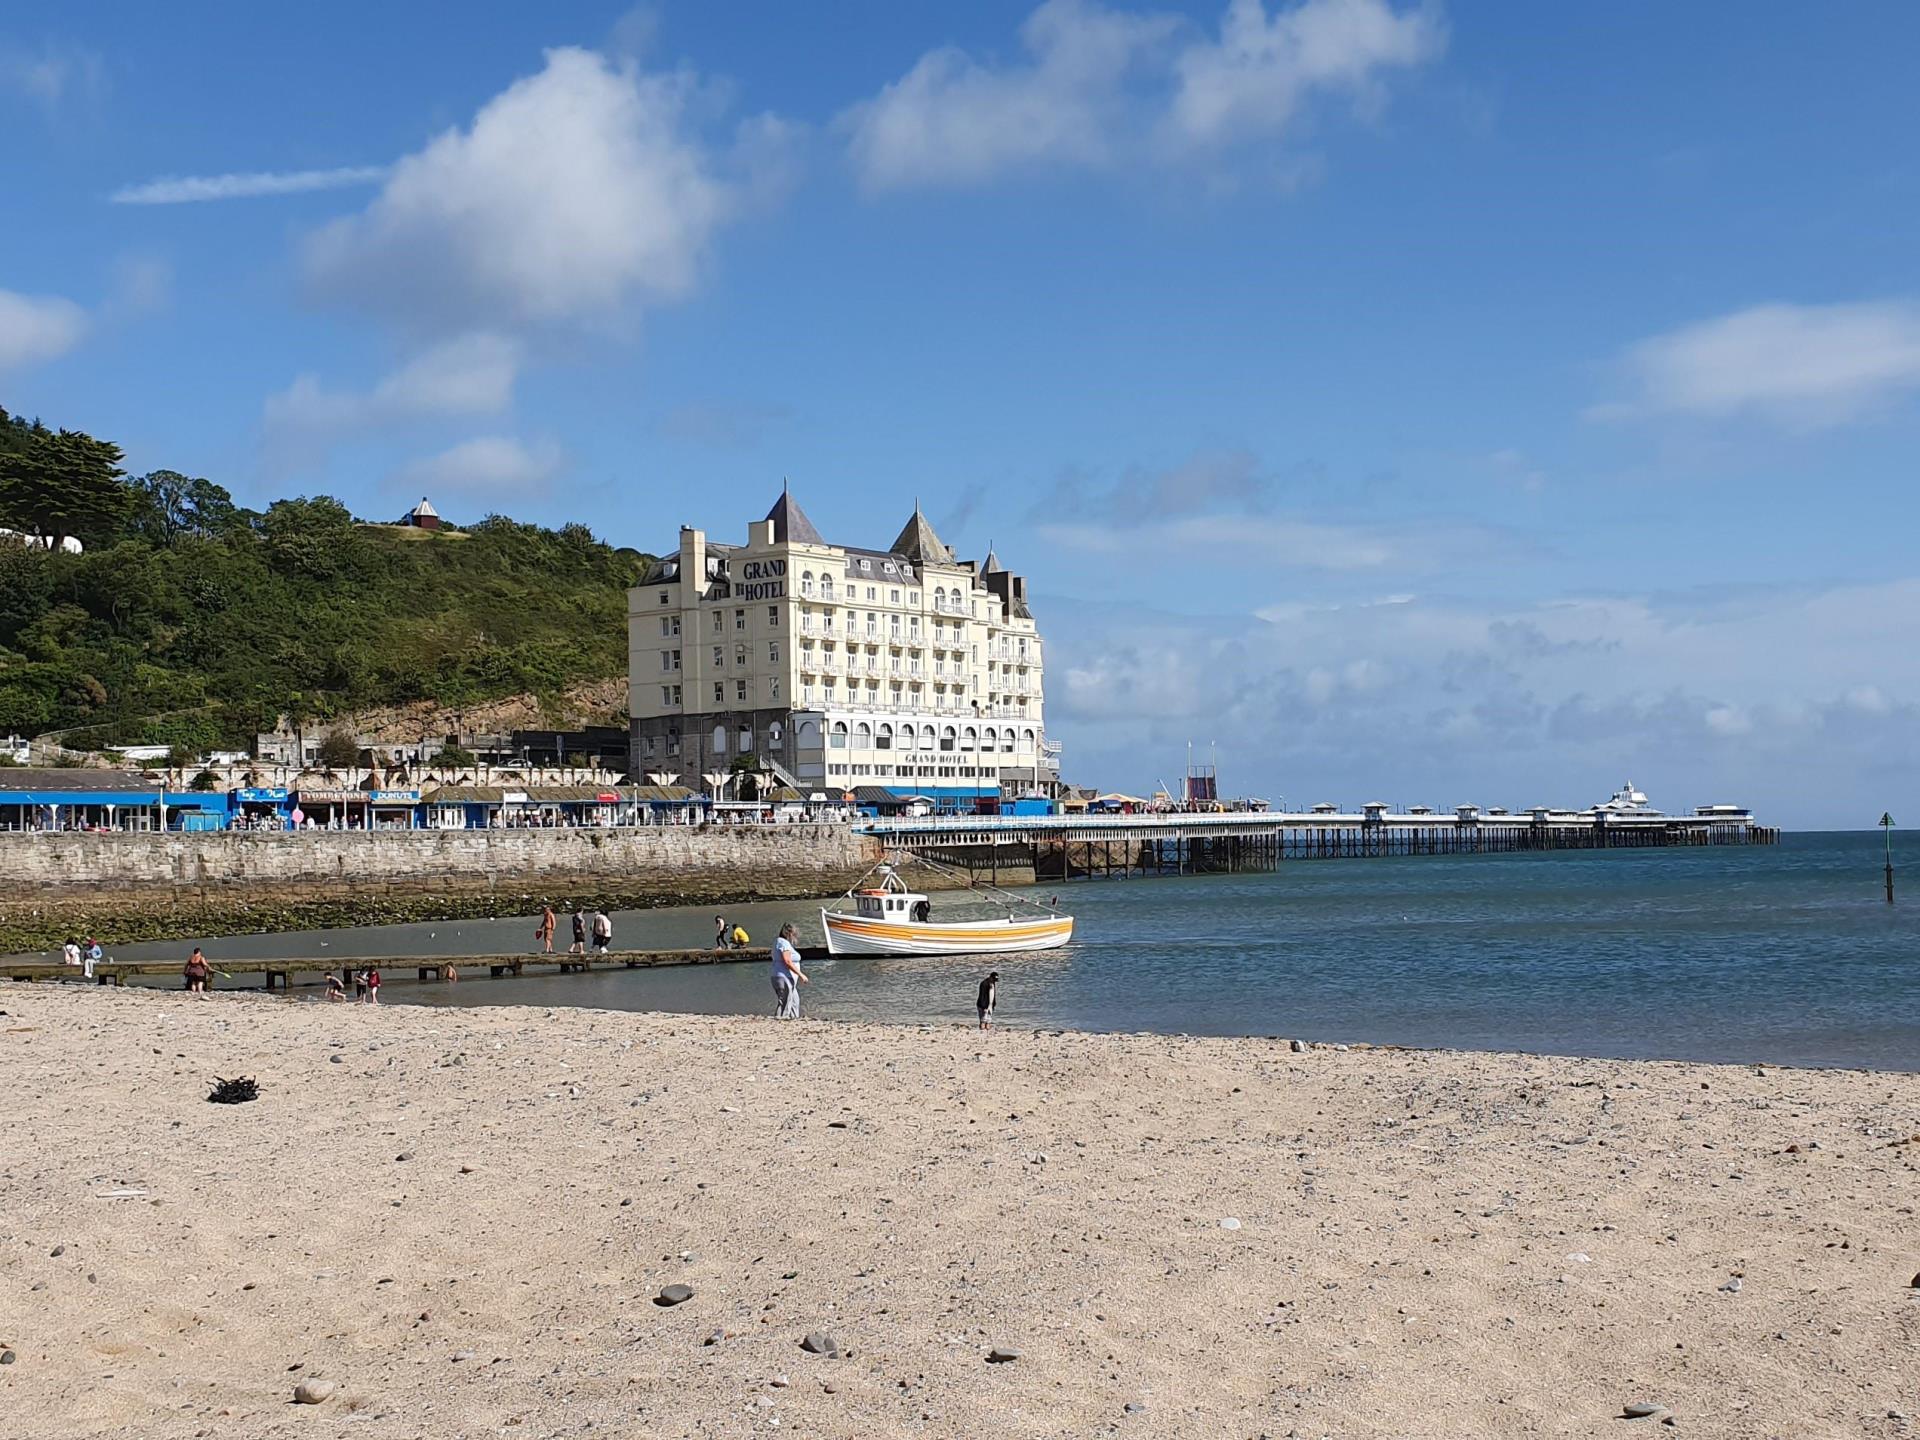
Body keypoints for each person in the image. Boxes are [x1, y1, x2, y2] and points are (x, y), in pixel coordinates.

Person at [770, 923, 808, 1019]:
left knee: (794, 1001)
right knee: (784, 1003)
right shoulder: (783, 942)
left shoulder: (780, 942)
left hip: (786, 977)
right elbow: (787, 961)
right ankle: (780, 1020)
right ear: (789, 933)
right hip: (784, 976)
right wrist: (801, 974)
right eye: (794, 934)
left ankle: (794, 1019)